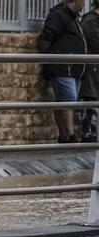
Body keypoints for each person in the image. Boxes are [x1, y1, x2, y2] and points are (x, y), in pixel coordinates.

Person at [38, 0, 89, 143]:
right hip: (62, 68)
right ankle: (70, 135)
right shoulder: (59, 15)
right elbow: (45, 39)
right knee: (69, 100)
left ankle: (64, 135)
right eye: (82, 0)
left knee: (64, 101)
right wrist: (53, 60)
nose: (84, 4)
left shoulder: (73, 17)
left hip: (74, 69)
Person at [81, 0, 99, 139]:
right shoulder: (90, 21)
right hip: (92, 69)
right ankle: (89, 133)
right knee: (91, 100)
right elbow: (95, 42)